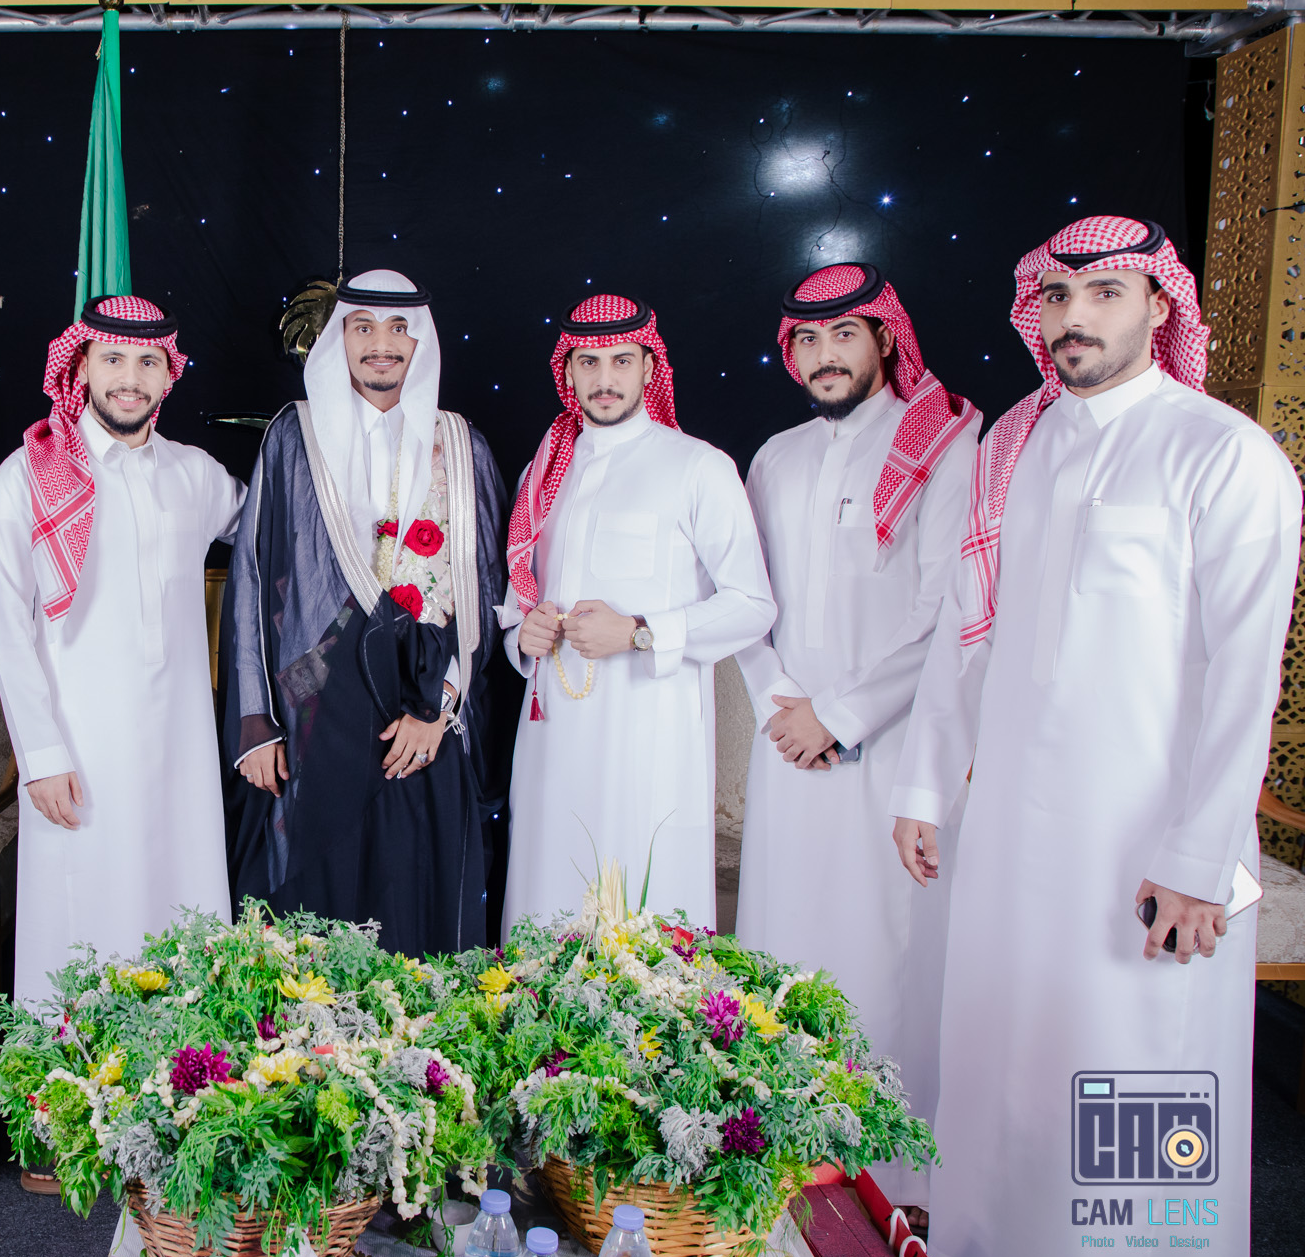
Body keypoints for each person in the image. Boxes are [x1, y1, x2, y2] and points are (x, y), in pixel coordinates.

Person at [890, 217, 1298, 1257]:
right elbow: (965, 635)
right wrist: (924, 784)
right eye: (1058, 296)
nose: (1074, 317)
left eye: (1105, 293)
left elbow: (1243, 677)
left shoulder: (1222, 453)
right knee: (1005, 1068)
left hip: (1146, 854)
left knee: (1133, 1084)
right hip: (1010, 837)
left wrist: (1199, 860)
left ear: (1160, 305)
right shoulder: (1012, 448)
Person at [731, 265, 979, 1207]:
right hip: (787, 745)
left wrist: (837, 716)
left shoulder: (946, 442)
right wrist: (783, 707)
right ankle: (774, 1150)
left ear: (884, 338)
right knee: (782, 947)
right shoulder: (774, 457)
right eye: (806, 339)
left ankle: (889, 1177)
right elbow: (748, 600)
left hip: (895, 751)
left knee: (888, 954)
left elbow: (945, 608)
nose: (824, 355)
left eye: (843, 335)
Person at [225, 270, 508, 956]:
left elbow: (484, 592)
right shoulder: (294, 436)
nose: (381, 343)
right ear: (339, 337)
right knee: (316, 912)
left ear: (420, 341)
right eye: (363, 327)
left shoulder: (460, 444)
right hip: (316, 711)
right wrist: (256, 724)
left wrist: (441, 709)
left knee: (415, 904)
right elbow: (253, 578)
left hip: (421, 716)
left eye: (398, 328)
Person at [0, 296, 243, 1009]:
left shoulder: (196, 473)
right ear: (81, 368)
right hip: (78, 752)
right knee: (82, 926)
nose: (130, 378)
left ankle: (189, 1066)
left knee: (184, 911)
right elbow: (8, 628)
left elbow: (273, 524)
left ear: (168, 375)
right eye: (114, 359)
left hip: (181, 752)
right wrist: (40, 755)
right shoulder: (25, 477)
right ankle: (67, 1071)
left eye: (148, 361)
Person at [498, 295, 774, 928]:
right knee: (546, 899)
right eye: (588, 362)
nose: (604, 379)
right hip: (550, 738)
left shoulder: (699, 466)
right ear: (567, 371)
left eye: (621, 360)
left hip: (650, 740)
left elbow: (752, 606)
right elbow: (519, 602)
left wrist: (640, 632)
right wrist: (522, 636)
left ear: (650, 366)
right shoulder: (544, 472)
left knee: (644, 915)